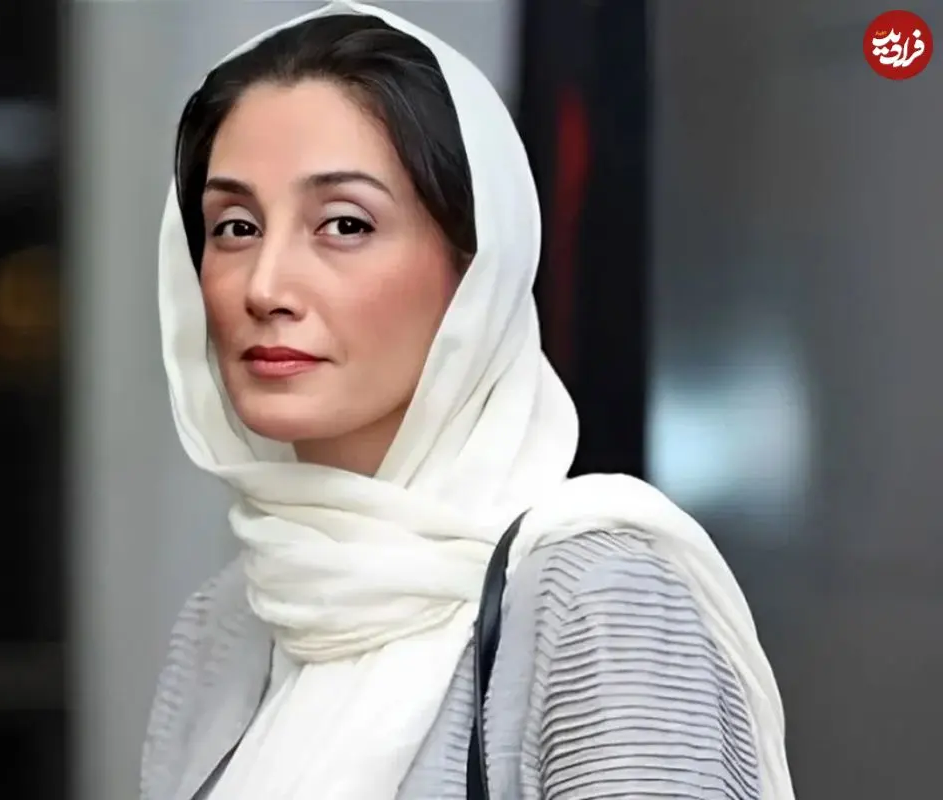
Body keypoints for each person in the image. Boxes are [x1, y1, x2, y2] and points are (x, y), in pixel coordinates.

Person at [142, 2, 794, 798]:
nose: (266, 286)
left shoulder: (588, 596)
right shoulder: (226, 624)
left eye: (344, 224)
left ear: (476, 269)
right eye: (236, 227)